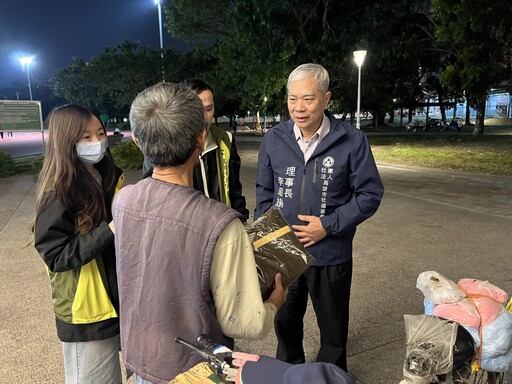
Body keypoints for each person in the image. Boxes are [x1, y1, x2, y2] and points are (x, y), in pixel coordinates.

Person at [112, 82, 287, 383]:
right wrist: (275, 301)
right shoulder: (220, 223)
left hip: (142, 356)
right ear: (201, 137)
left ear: (138, 143)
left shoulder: (123, 200)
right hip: (195, 368)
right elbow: (245, 323)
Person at [255, 63, 384, 371]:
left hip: (331, 255)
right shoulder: (274, 139)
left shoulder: (351, 141)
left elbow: (369, 194)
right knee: (284, 324)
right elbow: (264, 193)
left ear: (326, 99)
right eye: (292, 98)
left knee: (333, 329)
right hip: (284, 255)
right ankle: (290, 373)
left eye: (308, 99)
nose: (298, 108)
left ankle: (331, 376)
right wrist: (265, 241)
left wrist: (328, 226)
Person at [33, 104, 124, 383]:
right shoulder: (60, 190)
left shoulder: (105, 173)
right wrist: (108, 230)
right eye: (85, 137)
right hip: (85, 308)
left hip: (112, 299)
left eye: (99, 133)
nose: (96, 142)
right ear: (66, 140)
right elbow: (56, 255)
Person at [142, 78, 250, 222]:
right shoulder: (164, 143)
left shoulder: (226, 139)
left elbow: (235, 190)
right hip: (185, 230)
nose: (204, 117)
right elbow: (151, 192)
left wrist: (241, 221)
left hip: (222, 226)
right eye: (197, 109)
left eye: (209, 108)